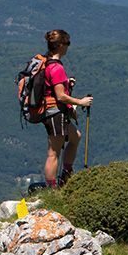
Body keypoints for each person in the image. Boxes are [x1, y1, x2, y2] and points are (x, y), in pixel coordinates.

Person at [39, 29, 94, 188]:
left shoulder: (47, 62)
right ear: (61, 45)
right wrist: (80, 102)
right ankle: (52, 188)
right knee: (53, 153)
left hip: (52, 112)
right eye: (67, 43)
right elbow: (60, 96)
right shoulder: (56, 68)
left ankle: (66, 174)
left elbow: (53, 87)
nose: (68, 47)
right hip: (55, 112)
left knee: (75, 136)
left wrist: (66, 83)